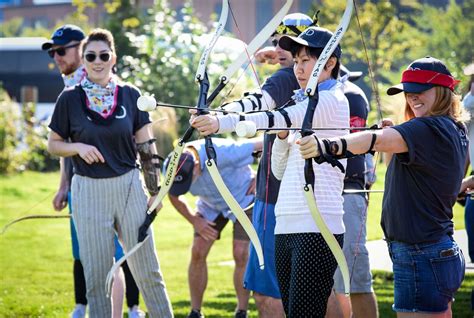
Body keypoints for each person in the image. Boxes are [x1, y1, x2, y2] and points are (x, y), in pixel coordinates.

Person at [191, 26, 350, 317]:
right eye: (297, 61)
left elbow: (276, 117)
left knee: (305, 312)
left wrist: (220, 123)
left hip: (315, 226)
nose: (299, 69)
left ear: (330, 64)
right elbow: (278, 168)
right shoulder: (303, 101)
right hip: (287, 223)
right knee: (294, 311)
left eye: (307, 61)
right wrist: (280, 137)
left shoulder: (331, 100)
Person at [298, 56, 467, 317]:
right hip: (430, 249)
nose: (412, 98)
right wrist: (397, 133)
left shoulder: (427, 128)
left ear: (443, 91)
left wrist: (327, 146)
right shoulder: (450, 127)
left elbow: (374, 140)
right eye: (408, 93)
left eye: (420, 91)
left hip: (421, 251)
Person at [47, 28, 173, 317]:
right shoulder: (69, 99)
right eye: (91, 56)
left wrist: (155, 191)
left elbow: (147, 148)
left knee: (148, 271)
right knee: (97, 278)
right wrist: (77, 147)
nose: (97, 61)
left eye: (104, 55)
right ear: (83, 58)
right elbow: (53, 144)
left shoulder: (131, 95)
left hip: (129, 188)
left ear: (113, 57)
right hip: (88, 191)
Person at [221, 12, 316, 318]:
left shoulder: (284, 78)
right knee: (315, 288)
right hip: (309, 200)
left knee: (266, 293)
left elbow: (260, 101)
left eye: (287, 42)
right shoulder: (326, 83)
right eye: (277, 40)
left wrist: (221, 117)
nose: (278, 47)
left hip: (274, 199)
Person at [164, 138, 262, 318]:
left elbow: (266, 143)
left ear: (196, 166)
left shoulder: (223, 151)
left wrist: (262, 174)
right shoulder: (171, 163)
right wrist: (194, 220)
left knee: (240, 253)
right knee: (198, 250)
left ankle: (242, 311)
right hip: (210, 205)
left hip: (242, 199)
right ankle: (195, 312)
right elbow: (173, 194)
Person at [330, 69, 379, 318]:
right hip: (323, 193)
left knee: (355, 278)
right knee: (325, 282)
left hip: (348, 191)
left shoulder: (351, 95)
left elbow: (354, 147)